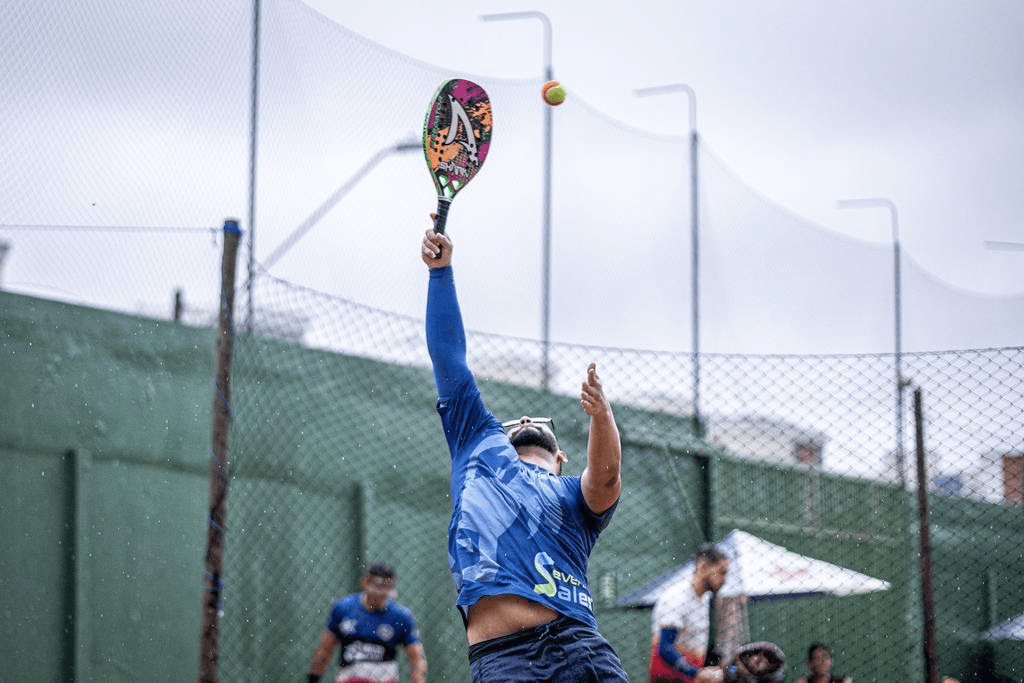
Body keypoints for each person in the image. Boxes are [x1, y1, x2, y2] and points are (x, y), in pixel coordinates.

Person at [421, 225, 629, 683]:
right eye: (518, 422)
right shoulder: (476, 439)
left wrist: (602, 415)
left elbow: (607, 476)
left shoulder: (571, 494)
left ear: (562, 460)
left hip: (581, 648)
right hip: (504, 659)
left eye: (538, 424)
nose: (528, 421)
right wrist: (440, 273)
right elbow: (449, 358)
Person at [305, 562, 427, 683]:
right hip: (349, 679)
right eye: (378, 586)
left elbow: (417, 659)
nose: (381, 593)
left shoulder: (401, 616)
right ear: (364, 582)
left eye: (386, 587)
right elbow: (325, 649)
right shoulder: (343, 608)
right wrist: (313, 679)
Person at [649, 544, 731, 683]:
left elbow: (694, 645)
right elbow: (665, 648)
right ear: (702, 567)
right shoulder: (677, 597)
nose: (725, 580)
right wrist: (697, 673)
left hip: (688, 678)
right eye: (721, 572)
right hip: (667, 680)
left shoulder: (704, 598)